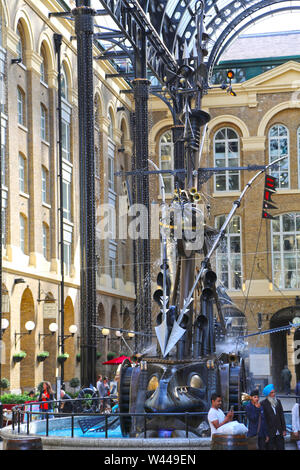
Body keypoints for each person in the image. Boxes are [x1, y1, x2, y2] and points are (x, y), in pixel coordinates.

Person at [261, 384, 286, 450]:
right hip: (270, 432)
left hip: (279, 431)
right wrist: (265, 434)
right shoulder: (263, 404)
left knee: (281, 447)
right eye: (271, 392)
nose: (273, 394)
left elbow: (281, 416)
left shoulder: (278, 401)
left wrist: (284, 429)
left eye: (274, 392)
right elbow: (263, 420)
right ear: (267, 394)